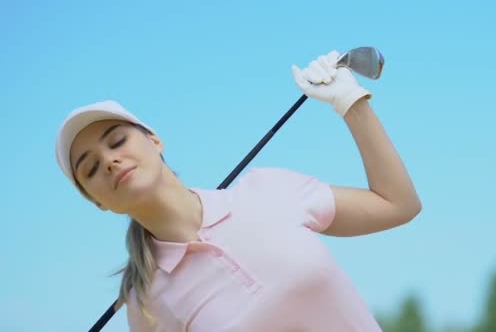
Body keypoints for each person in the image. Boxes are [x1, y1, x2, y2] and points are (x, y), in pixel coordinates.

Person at [55, 50, 422, 331]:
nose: (109, 161)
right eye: (90, 168)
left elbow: (398, 204)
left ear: (155, 140)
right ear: (97, 201)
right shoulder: (145, 304)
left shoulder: (267, 189)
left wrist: (350, 103)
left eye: (117, 141)